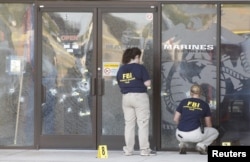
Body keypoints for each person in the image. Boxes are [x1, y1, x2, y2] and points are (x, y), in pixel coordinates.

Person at [116, 47, 156, 156]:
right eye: (139, 57)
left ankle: (128, 150)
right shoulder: (140, 68)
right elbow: (147, 83)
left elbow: (119, 83)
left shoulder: (121, 69)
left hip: (126, 98)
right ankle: (144, 149)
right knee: (142, 123)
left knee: (129, 125)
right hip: (139, 97)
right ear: (136, 56)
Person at [173, 84, 219, 155]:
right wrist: (206, 133)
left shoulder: (183, 102)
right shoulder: (204, 104)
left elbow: (175, 119)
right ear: (200, 93)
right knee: (215, 132)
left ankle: (182, 144)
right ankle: (201, 146)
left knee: (183, 130)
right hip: (195, 135)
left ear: (190, 93)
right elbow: (208, 123)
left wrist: (182, 127)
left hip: (179, 134)